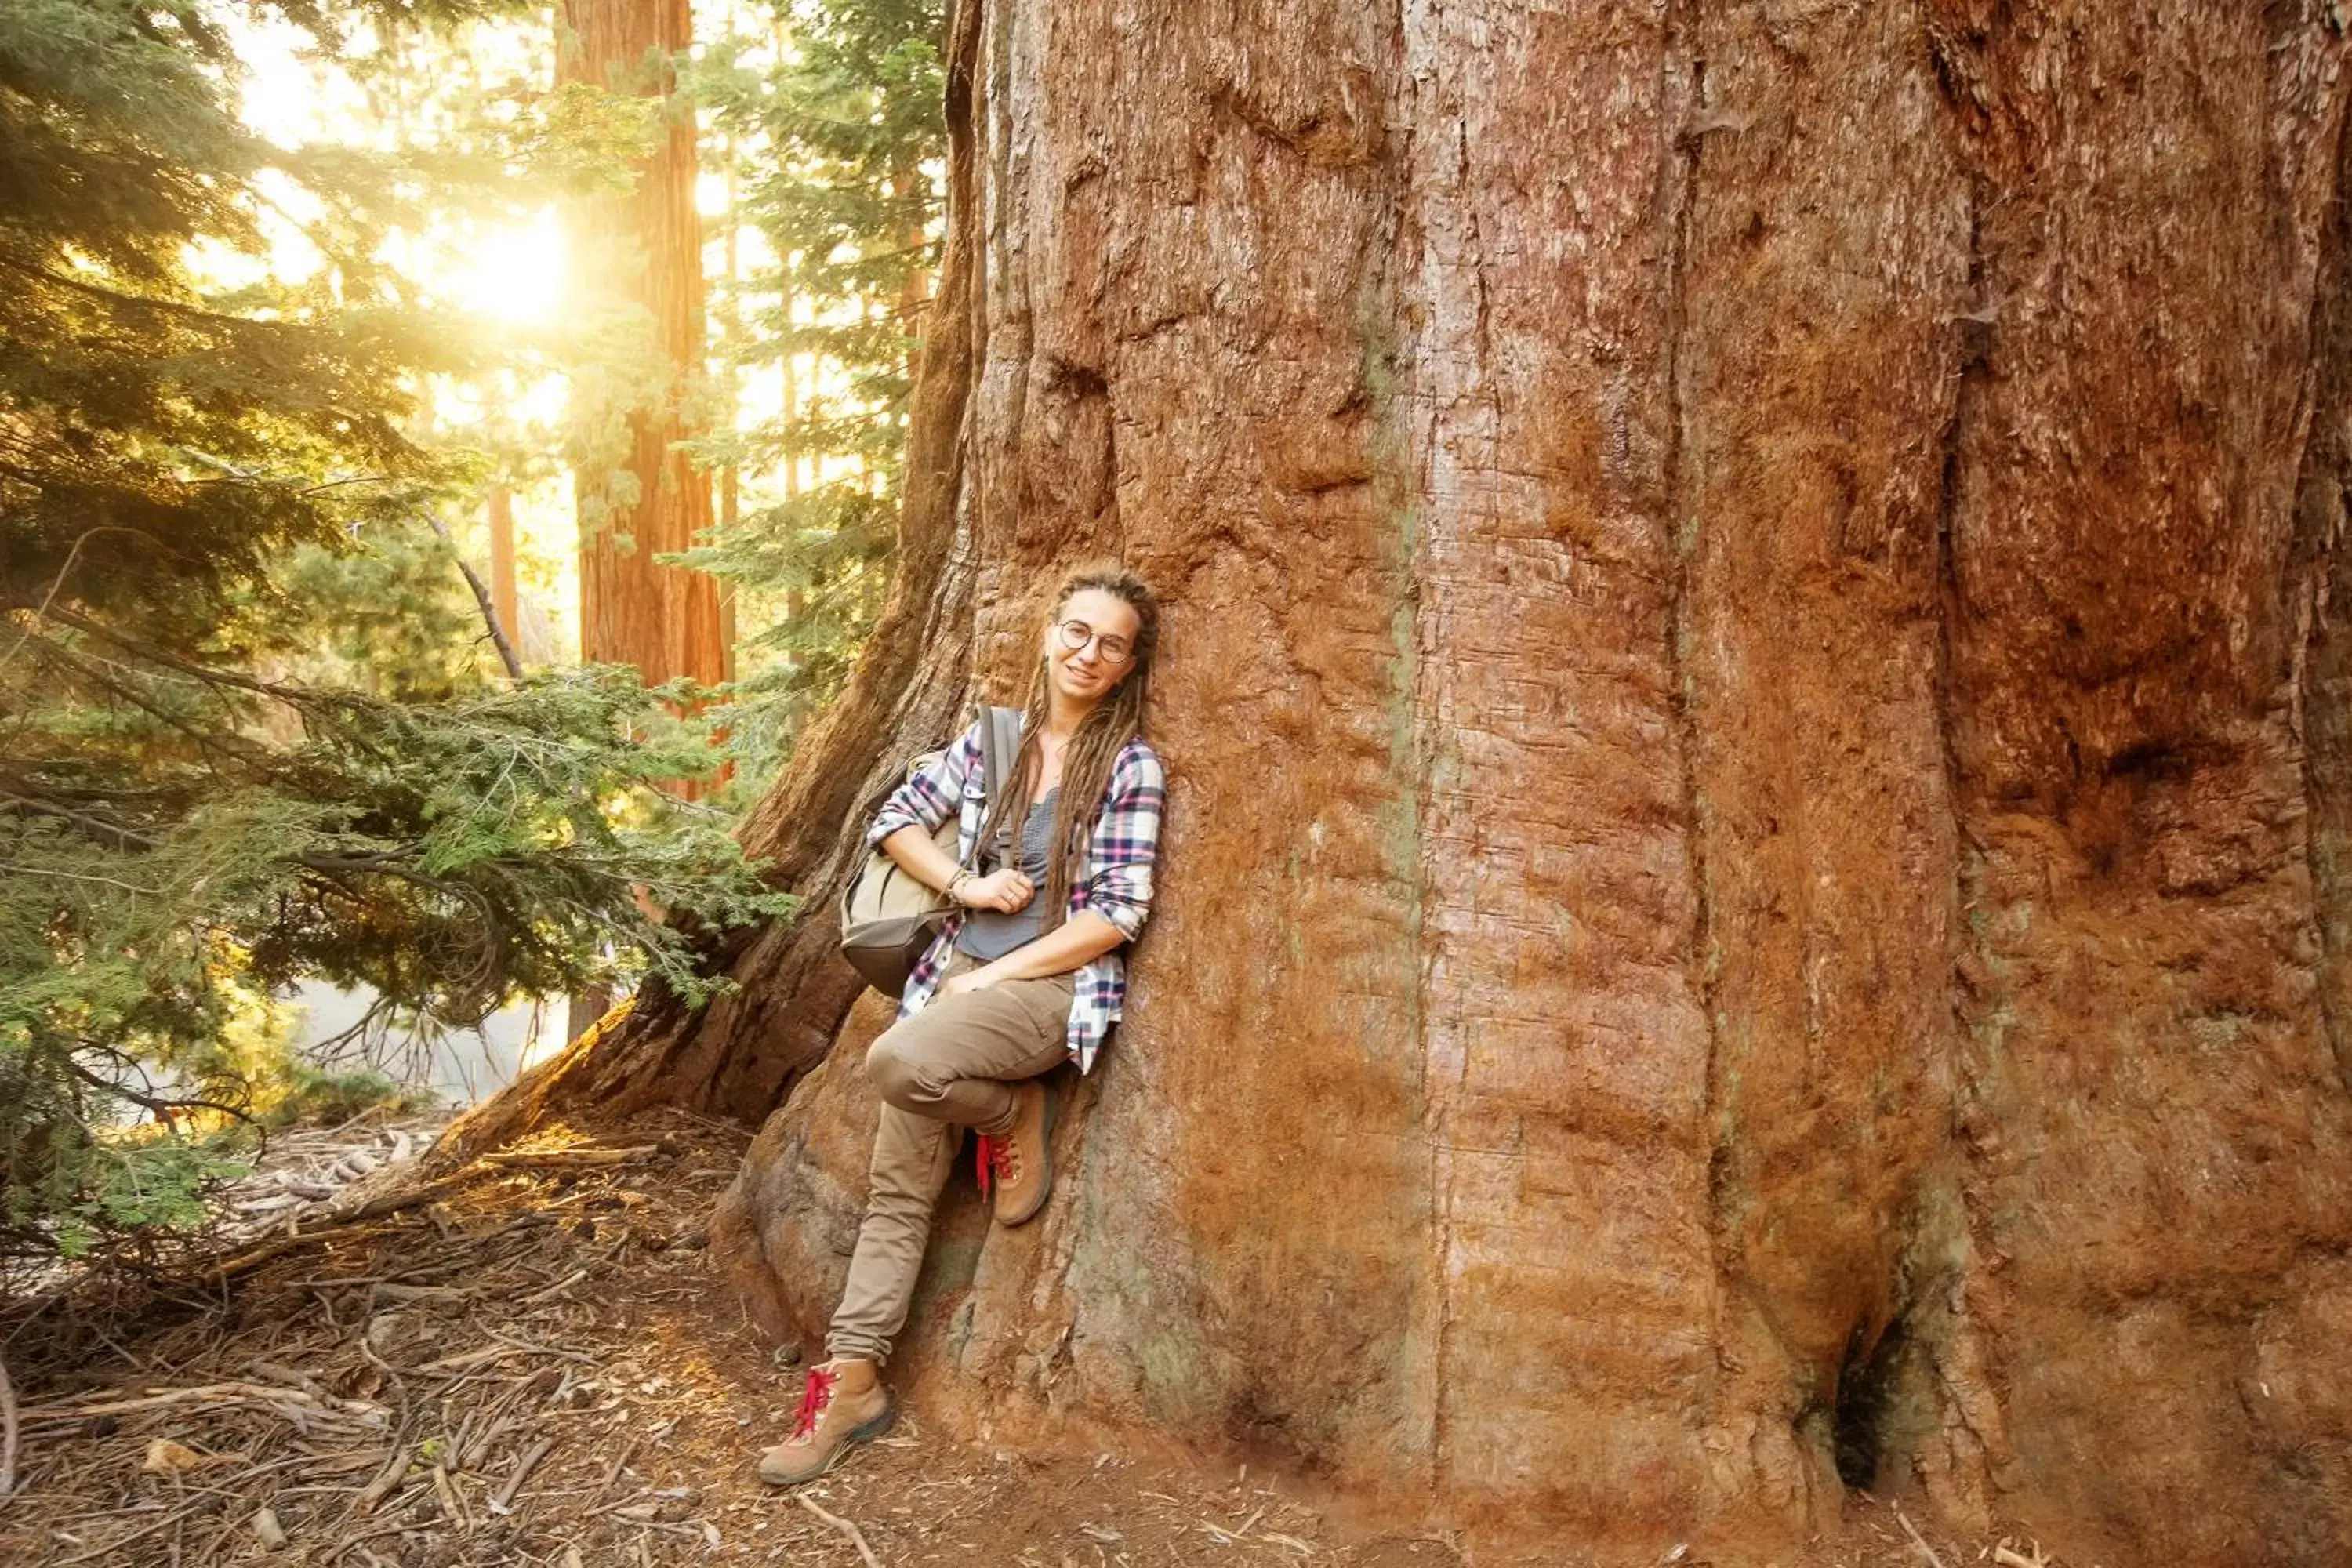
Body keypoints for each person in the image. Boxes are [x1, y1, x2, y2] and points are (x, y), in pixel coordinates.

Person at [757, 561, 1167, 1486]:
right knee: (896, 1195)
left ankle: (1009, 1111)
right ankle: (853, 1386)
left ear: (1128, 663)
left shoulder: (1131, 766)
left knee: (899, 1059)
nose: (1088, 652)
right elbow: (897, 817)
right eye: (1077, 630)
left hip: (1047, 991)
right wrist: (965, 884)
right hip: (952, 977)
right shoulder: (993, 741)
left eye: (1111, 642)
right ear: (1049, 633)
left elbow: (1119, 910)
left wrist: (1004, 974)